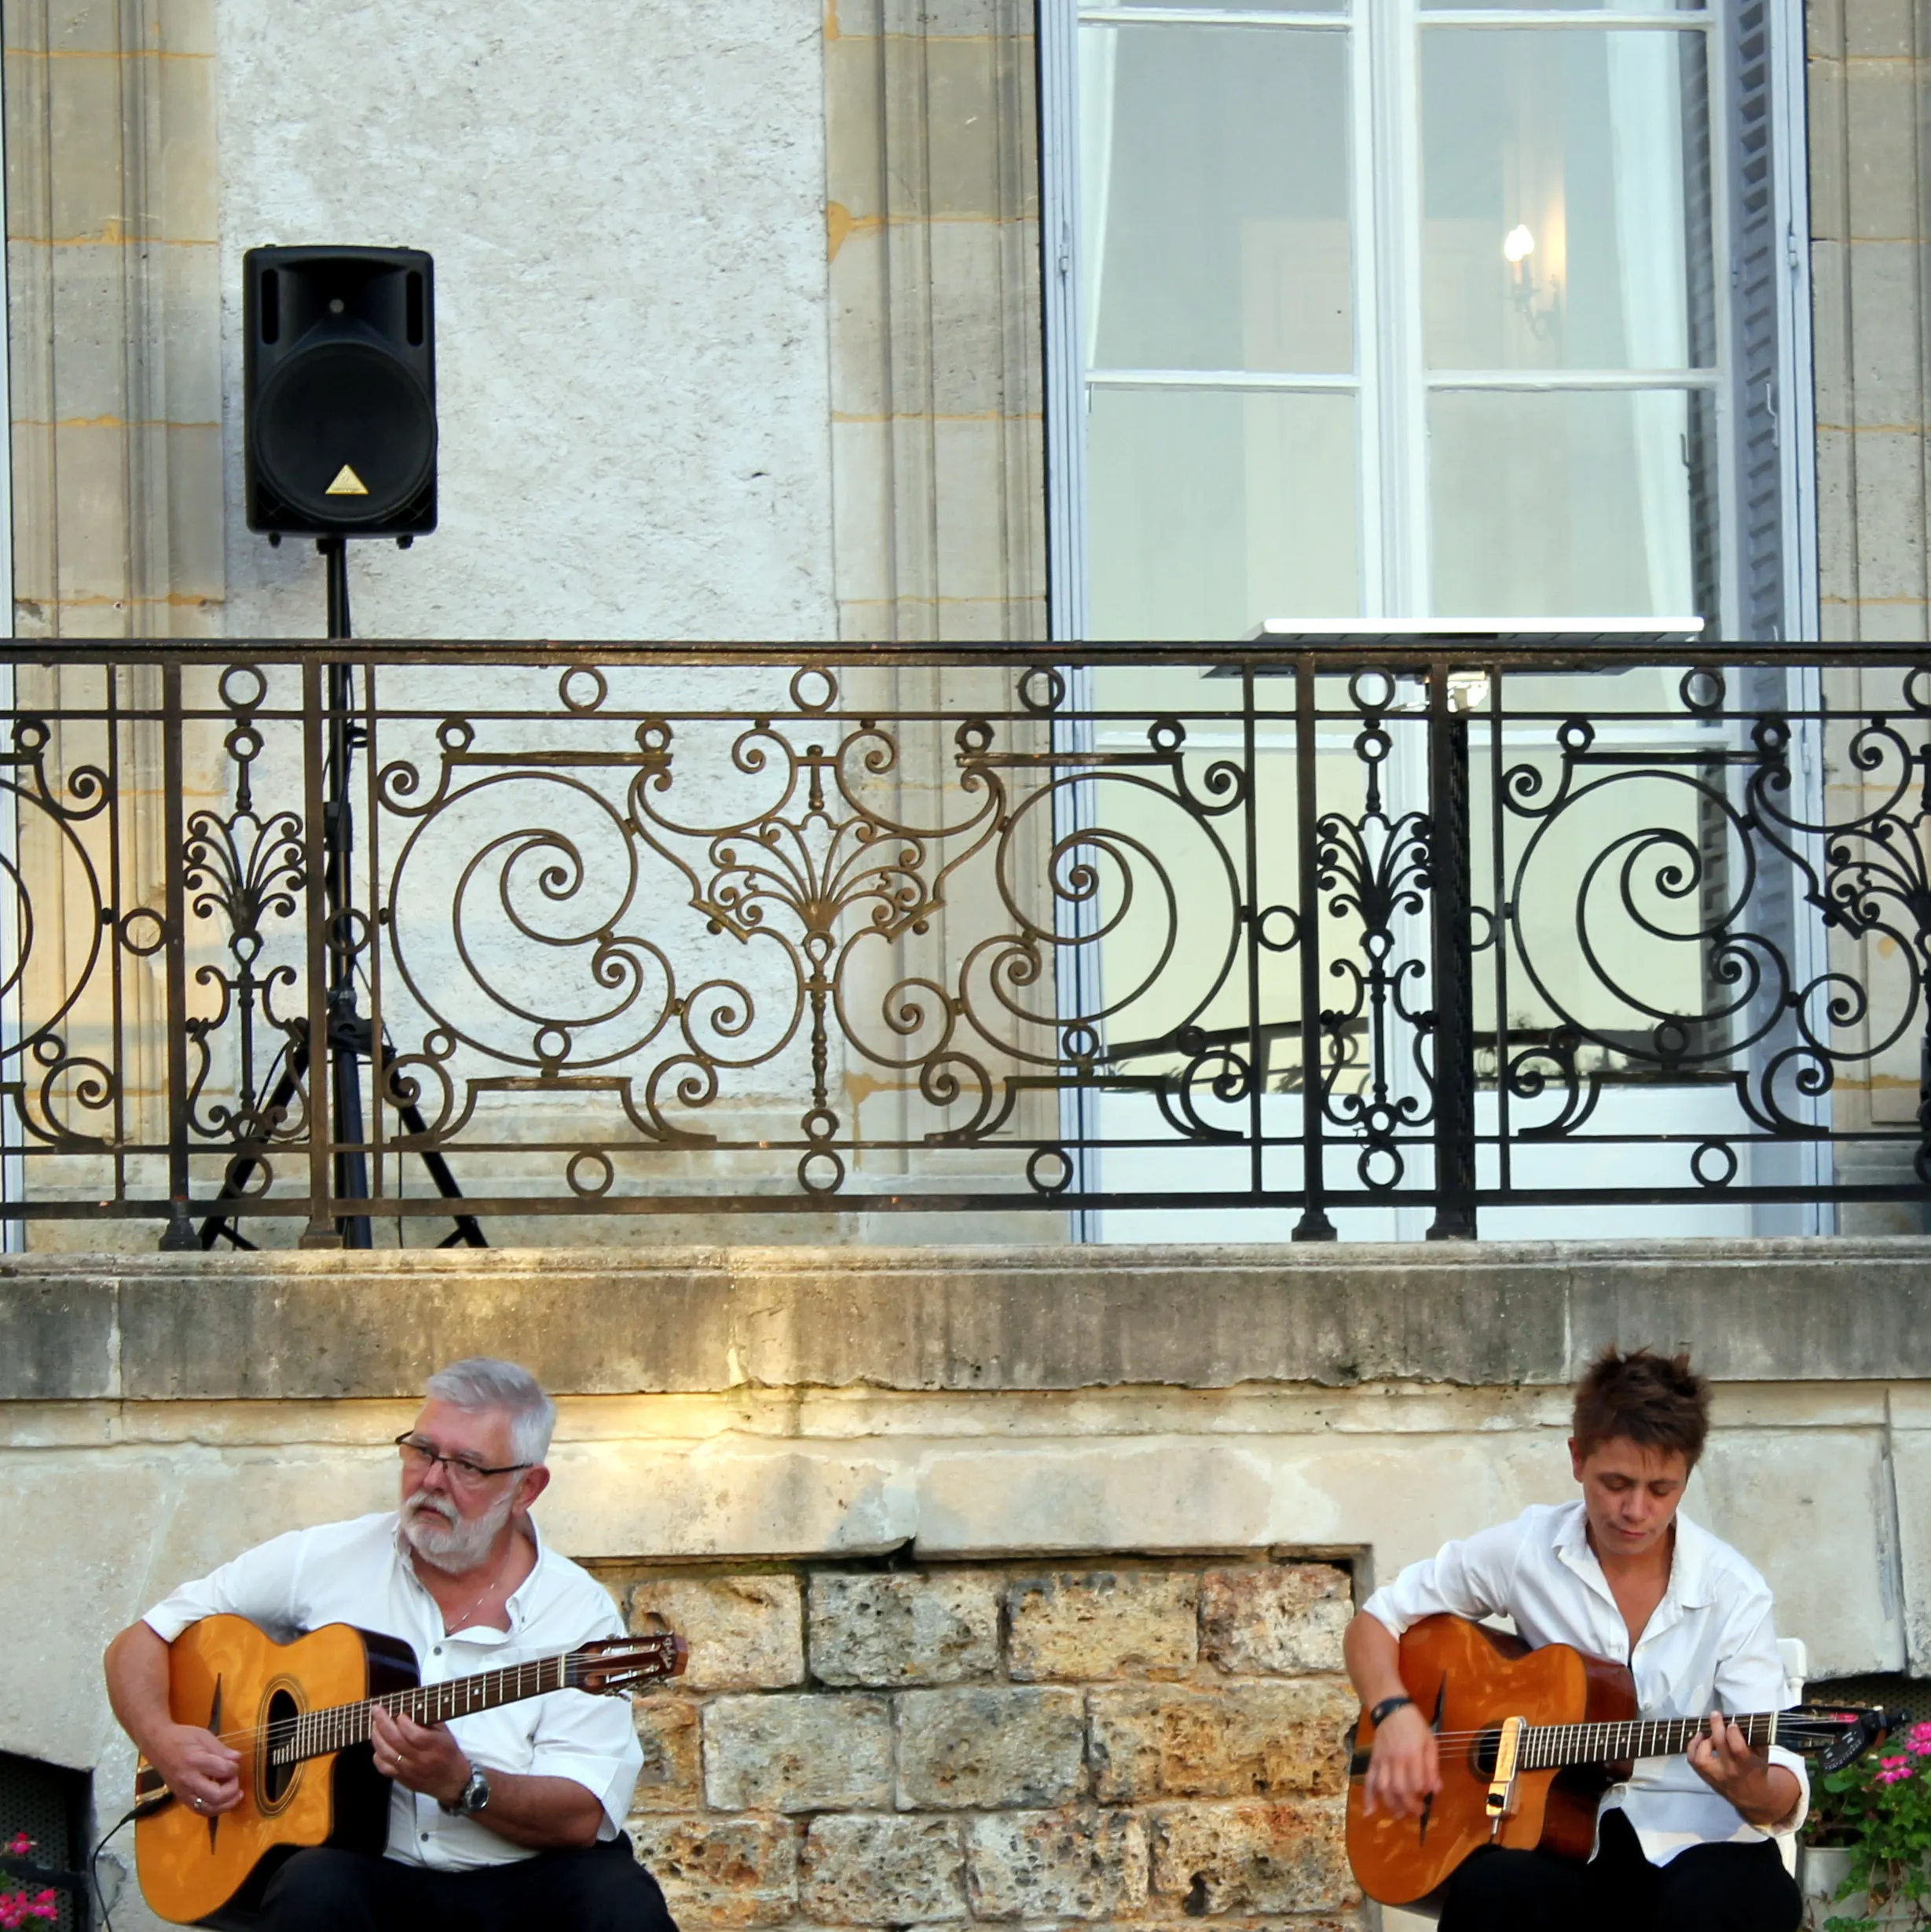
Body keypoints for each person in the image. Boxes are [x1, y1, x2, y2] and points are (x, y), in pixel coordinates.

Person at [103, 1358, 676, 1932]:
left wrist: (463, 1783)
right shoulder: (325, 1556)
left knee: (621, 1900)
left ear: (526, 1486)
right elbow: (143, 1639)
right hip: (371, 1878)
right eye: (422, 1451)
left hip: (527, 1883)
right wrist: (164, 1739)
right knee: (311, 1888)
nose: (431, 1479)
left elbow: (580, 1814)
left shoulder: (579, 1611)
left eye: (467, 1466)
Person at [1344, 1346, 1805, 1932]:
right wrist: (1394, 1713)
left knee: (1751, 1901)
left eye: (1661, 1489)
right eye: (1616, 1482)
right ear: (1577, 1457)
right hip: (1560, 1842)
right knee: (1492, 1892)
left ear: (1687, 1475)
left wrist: (1751, 1786)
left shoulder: (1733, 1590)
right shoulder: (1527, 1548)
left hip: (1699, 1842)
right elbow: (1376, 1621)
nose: (1636, 1510)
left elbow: (1782, 1785)